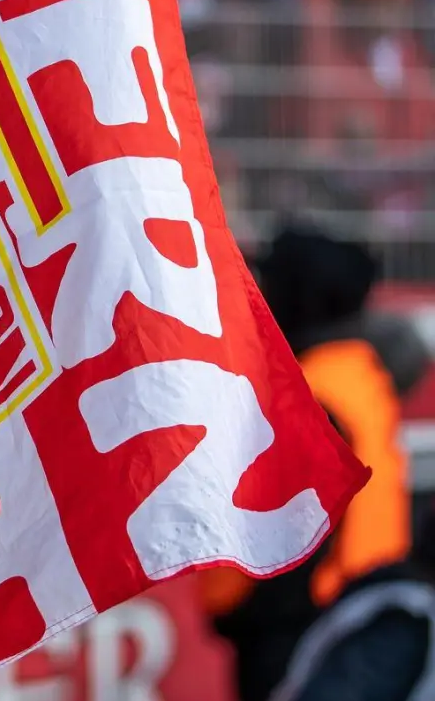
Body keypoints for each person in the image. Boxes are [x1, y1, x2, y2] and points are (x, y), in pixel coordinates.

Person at [199, 222, 429, 701]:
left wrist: (247, 618)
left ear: (300, 295)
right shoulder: (358, 374)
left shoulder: (310, 398)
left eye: (269, 282)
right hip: (356, 610)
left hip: (305, 631)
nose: (257, 295)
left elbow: (288, 543)